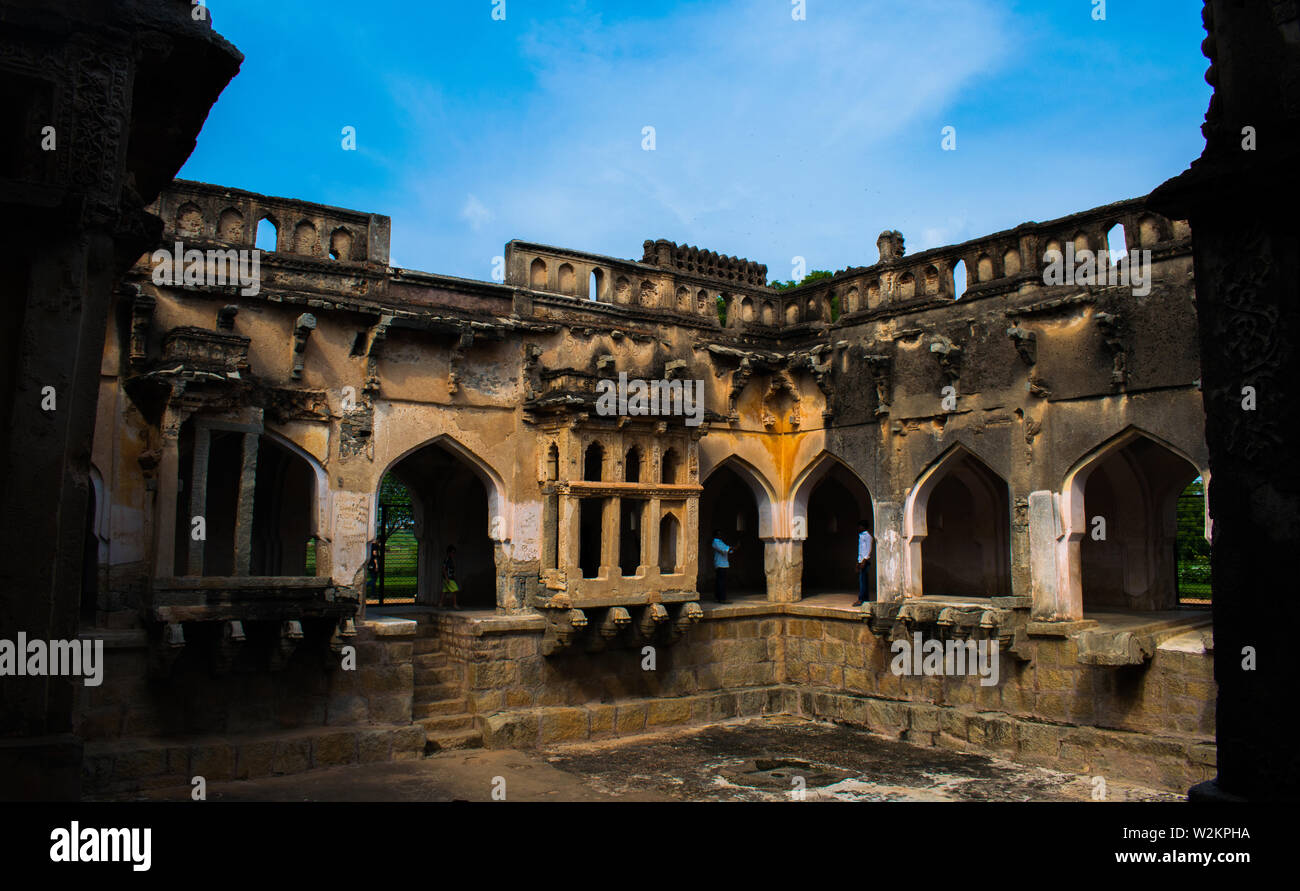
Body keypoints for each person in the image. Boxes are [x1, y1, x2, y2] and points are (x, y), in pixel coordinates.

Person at [711, 528, 736, 604]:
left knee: (721, 581)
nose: (721, 535)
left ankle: (719, 597)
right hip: (720, 564)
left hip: (723, 564)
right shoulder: (716, 542)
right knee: (721, 582)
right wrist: (733, 547)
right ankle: (721, 598)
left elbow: (729, 550)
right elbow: (725, 549)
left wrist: (732, 548)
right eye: (719, 534)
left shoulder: (720, 542)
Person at [853, 520, 874, 606]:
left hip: (865, 561)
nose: (859, 528)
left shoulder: (867, 536)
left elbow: (868, 549)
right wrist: (858, 562)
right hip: (861, 560)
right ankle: (865, 598)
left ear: (863, 527)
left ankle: (861, 599)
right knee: (863, 580)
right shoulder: (861, 536)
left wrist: (864, 561)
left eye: (860, 526)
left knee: (863, 580)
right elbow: (861, 550)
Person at [440, 544, 460, 609]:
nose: (453, 554)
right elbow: (444, 569)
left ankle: (440, 604)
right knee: (455, 590)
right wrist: (446, 577)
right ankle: (455, 604)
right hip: (449, 578)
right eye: (452, 552)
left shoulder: (450, 559)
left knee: (445, 591)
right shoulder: (447, 559)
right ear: (449, 552)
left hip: (449, 577)